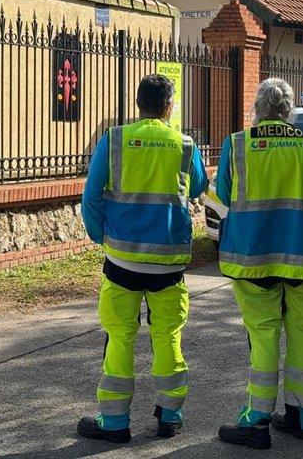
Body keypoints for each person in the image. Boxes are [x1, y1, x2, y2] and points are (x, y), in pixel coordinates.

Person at [78, 74, 208, 443]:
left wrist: (100, 236)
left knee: (119, 337)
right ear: (169, 106)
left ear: (138, 104)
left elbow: (91, 197)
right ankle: (169, 417)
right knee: (167, 335)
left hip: (122, 260)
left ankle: (115, 424)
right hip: (169, 262)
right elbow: (198, 186)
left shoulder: (115, 140)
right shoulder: (185, 144)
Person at [215, 78, 303, 450]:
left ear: (258, 108)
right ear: (288, 111)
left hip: (255, 258)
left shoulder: (238, 144)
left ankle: (257, 420)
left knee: (264, 335)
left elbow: (224, 193)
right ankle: (301, 416)